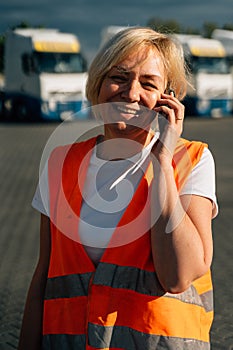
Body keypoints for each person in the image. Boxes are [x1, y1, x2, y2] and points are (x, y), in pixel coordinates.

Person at [18, 27, 218, 350]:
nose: (131, 93)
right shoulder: (60, 163)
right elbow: (43, 277)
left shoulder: (192, 161)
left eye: (148, 83)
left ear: (168, 97)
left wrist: (162, 161)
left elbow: (178, 276)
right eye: (119, 77)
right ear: (98, 83)